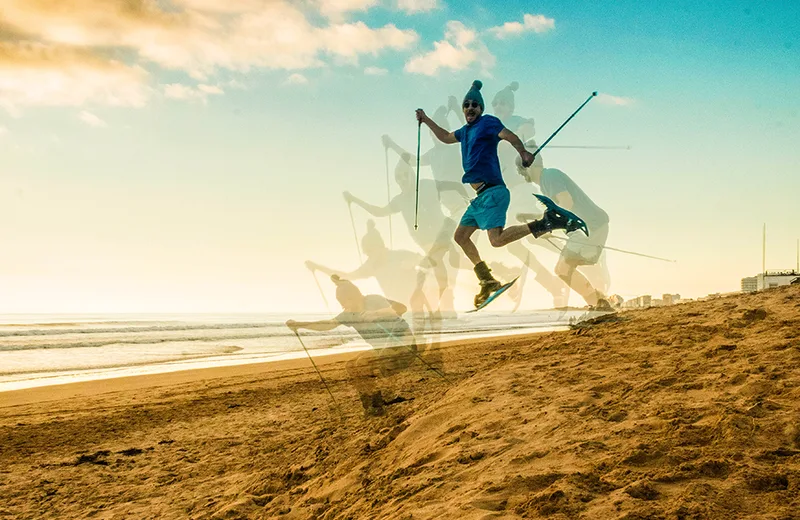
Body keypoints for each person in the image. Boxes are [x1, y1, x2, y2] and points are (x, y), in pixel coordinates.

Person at [415, 80, 587, 308]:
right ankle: (486, 280)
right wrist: (426, 120)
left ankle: (545, 223)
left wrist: (523, 151)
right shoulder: (464, 132)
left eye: (475, 104)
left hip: (494, 192)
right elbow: (445, 137)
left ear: (481, 108)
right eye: (467, 104)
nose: (470, 108)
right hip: (479, 199)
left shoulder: (488, 123)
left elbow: (510, 136)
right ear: (463, 109)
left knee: (496, 240)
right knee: (460, 237)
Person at [286, 275, 425, 417]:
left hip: (403, 346)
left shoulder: (373, 299)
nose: (342, 305)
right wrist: (300, 324)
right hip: (382, 351)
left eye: (343, 301)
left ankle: (377, 406)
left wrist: (376, 314)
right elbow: (327, 325)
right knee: (351, 365)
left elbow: (401, 308)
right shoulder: (349, 314)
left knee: (363, 363)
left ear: (354, 296)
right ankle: (372, 403)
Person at [344, 160, 460, 315]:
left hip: (445, 239)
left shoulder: (426, 185)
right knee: (438, 276)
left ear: (412, 175)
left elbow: (450, 186)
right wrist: (355, 200)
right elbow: (379, 212)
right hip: (429, 246)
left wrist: (465, 194)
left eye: (405, 175)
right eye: (398, 177)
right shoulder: (399, 200)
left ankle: (480, 281)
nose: (402, 180)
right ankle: (444, 310)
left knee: (447, 273)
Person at [515, 145, 612, 310]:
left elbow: (566, 203)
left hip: (589, 227)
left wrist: (544, 223)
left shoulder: (550, 176)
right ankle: (600, 303)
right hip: (589, 227)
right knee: (567, 268)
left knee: (563, 268)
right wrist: (533, 217)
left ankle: (600, 305)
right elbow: (559, 210)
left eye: (520, 168)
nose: (519, 173)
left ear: (528, 166)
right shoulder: (546, 181)